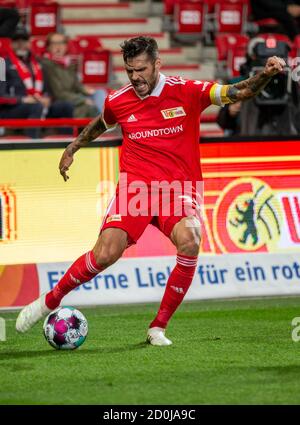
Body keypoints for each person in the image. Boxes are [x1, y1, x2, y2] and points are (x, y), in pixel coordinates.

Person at [16, 36, 286, 345]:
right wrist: (73, 147)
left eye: (141, 70)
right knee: (105, 253)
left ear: (157, 64)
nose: (135, 77)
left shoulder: (188, 91)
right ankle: (50, 301)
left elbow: (239, 91)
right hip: (137, 188)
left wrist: (265, 74)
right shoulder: (118, 99)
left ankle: (157, 327)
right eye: (130, 71)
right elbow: (101, 123)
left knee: (190, 240)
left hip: (178, 187)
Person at [0, 26, 74, 138]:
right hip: (12, 109)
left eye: (24, 40)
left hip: (38, 104)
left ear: (29, 43)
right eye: (16, 41)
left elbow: (48, 91)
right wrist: (23, 99)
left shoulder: (38, 64)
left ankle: (68, 144)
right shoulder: (2, 64)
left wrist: (48, 99)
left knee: (66, 106)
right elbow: (1, 96)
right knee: (36, 106)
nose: (21, 44)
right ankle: (33, 143)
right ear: (11, 44)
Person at [41, 32, 106, 118]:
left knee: (99, 92)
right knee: (89, 106)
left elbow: (76, 85)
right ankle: (104, 123)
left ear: (66, 46)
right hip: (61, 102)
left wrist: (86, 91)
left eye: (62, 43)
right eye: (55, 43)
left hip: (73, 97)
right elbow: (59, 93)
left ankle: (104, 121)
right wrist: (83, 100)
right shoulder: (47, 65)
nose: (59, 46)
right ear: (48, 47)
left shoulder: (68, 63)